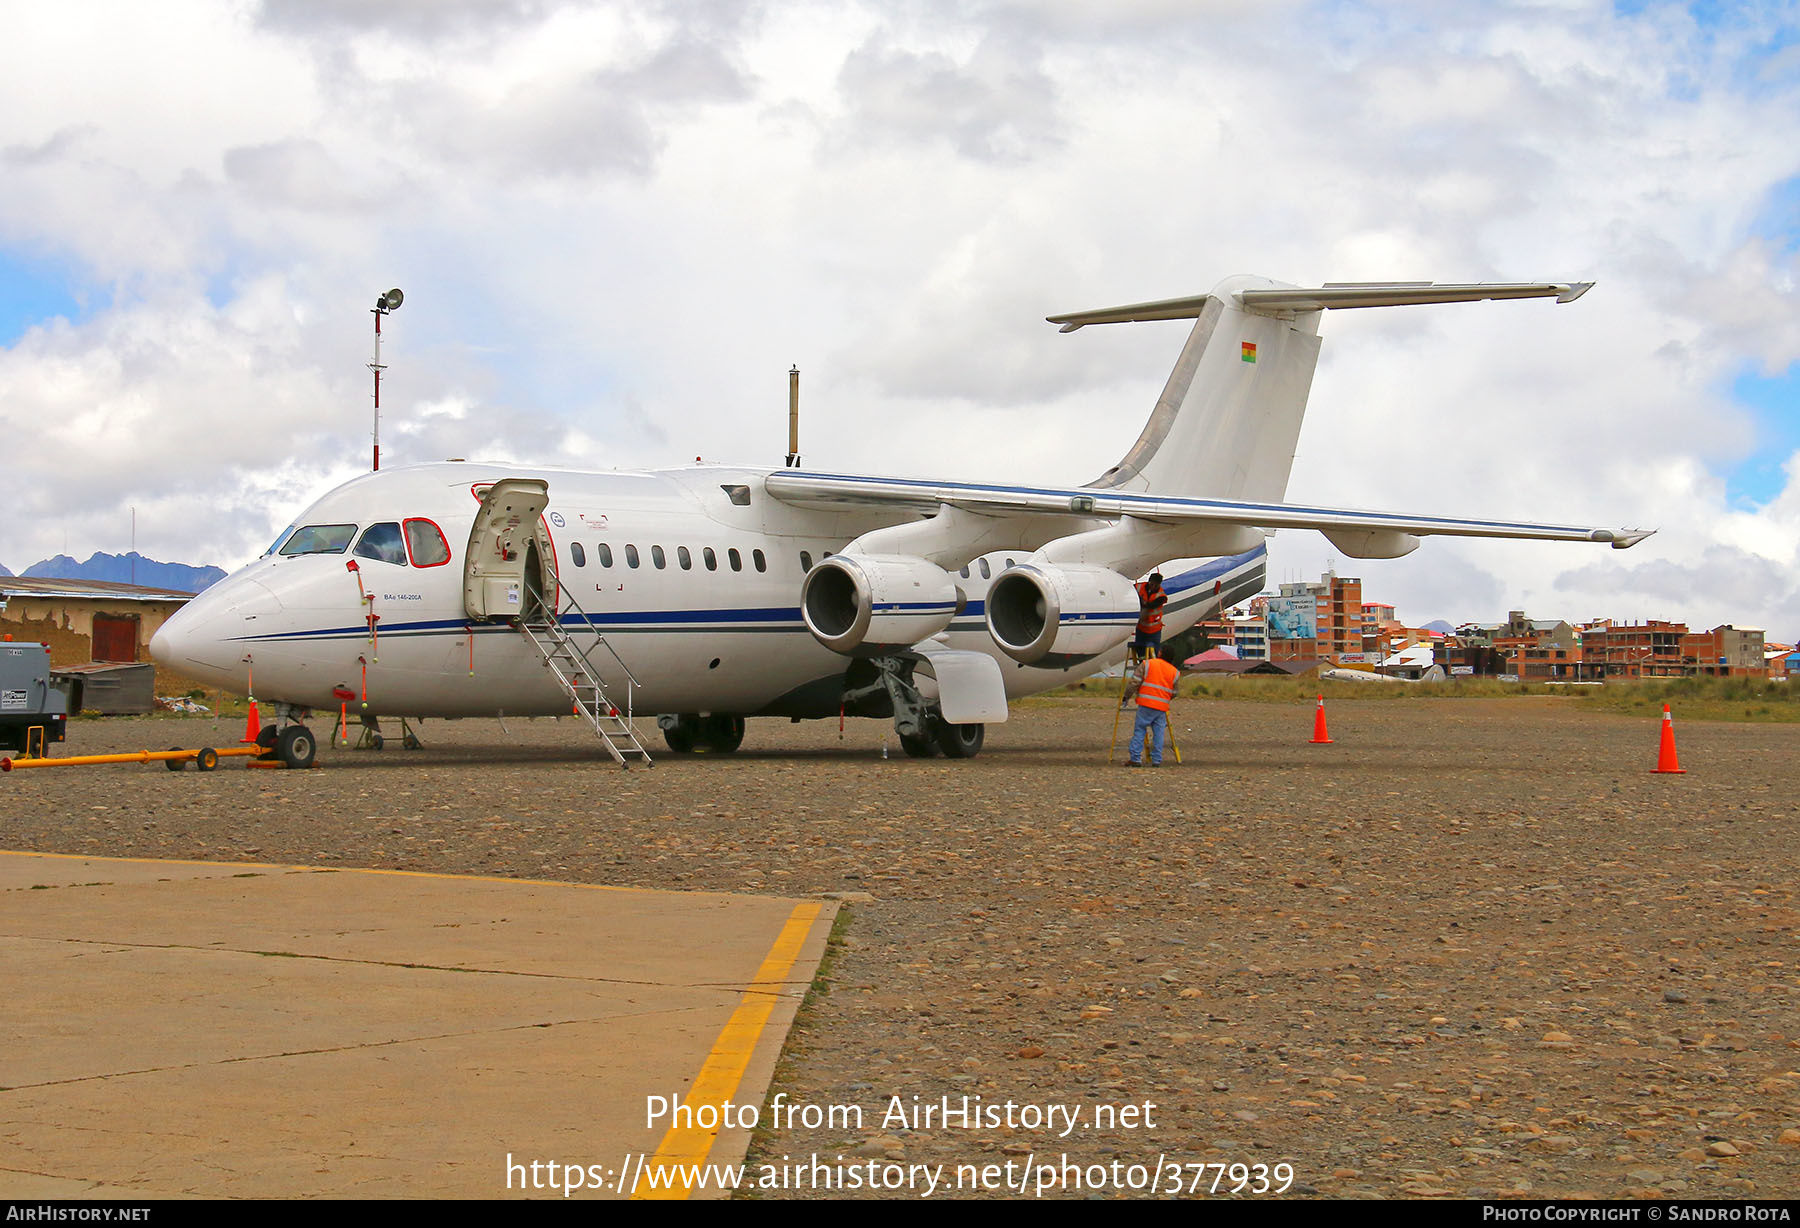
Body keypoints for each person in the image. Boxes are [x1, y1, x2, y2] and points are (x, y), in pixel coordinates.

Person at [1123, 653, 1179, 766]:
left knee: (1140, 730)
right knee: (1159, 733)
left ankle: (1135, 758)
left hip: (1146, 703)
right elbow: (1174, 692)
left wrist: (1126, 696)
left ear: (1160, 653)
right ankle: (1157, 760)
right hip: (1162, 706)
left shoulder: (1147, 664)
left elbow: (1134, 682)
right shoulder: (1175, 672)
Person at [1133, 572, 1167, 660]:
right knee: (1140, 650)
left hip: (1154, 629)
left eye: (1155, 585)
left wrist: (1142, 602)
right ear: (1149, 581)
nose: (1153, 587)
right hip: (1141, 628)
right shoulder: (1139, 587)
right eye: (1152, 584)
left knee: (1153, 652)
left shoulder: (1161, 596)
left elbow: (1151, 605)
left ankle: (1152, 666)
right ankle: (1142, 664)